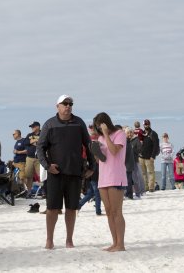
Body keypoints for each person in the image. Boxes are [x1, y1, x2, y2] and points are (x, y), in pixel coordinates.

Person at [36, 94, 95, 250]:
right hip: (55, 173)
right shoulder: (49, 124)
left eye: (70, 104)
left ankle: (69, 239)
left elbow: (88, 145)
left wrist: (92, 167)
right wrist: (47, 166)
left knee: (71, 208)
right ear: (58, 106)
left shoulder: (79, 122)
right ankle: (49, 240)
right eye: (65, 103)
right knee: (52, 208)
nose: (68, 106)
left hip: (75, 172)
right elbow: (40, 147)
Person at [93, 112, 127, 252]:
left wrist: (106, 134)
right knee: (108, 211)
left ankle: (121, 244)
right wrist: (95, 152)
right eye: (97, 127)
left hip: (116, 177)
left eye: (100, 125)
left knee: (116, 211)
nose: (99, 129)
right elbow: (101, 160)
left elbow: (114, 151)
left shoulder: (120, 134)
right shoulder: (100, 137)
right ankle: (115, 242)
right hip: (103, 178)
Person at [139, 119, 158, 192]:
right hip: (141, 157)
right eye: (145, 124)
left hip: (149, 157)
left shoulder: (153, 134)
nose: (146, 125)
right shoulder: (141, 133)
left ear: (149, 124)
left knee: (151, 172)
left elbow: (156, 146)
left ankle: (151, 188)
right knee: (143, 173)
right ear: (143, 125)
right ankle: (145, 187)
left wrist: (153, 156)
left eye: (147, 124)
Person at [24, 122, 41, 197]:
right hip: (30, 158)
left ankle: (44, 191)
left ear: (38, 127)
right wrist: (33, 141)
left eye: (33, 126)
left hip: (39, 158)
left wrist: (36, 141)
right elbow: (25, 142)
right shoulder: (29, 135)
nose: (32, 128)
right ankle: (29, 192)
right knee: (28, 175)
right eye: (31, 127)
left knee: (41, 176)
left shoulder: (43, 133)